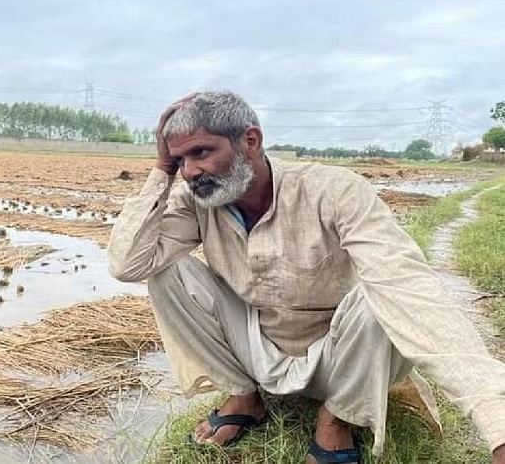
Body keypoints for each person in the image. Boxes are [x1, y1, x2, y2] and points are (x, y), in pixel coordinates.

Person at [107, 91, 505, 463]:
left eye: (201, 152)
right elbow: (128, 265)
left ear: (250, 141)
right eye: (180, 161)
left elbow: (408, 287)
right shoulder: (197, 200)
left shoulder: (333, 191)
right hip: (259, 346)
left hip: (341, 356)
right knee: (165, 272)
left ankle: (336, 419)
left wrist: (495, 416)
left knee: (378, 294)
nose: (191, 171)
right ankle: (243, 398)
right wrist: (161, 171)